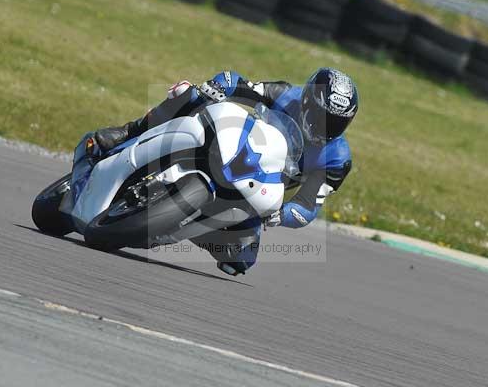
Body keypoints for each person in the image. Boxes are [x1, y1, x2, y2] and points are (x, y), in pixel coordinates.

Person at [83, 68, 358, 276]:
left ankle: (177, 224)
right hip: (234, 147)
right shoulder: (287, 95)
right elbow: (238, 81)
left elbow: (309, 205)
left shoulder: (337, 160)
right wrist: (217, 86)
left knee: (240, 258)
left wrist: (282, 215)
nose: (328, 127)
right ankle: (130, 132)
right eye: (325, 117)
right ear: (308, 101)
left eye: (337, 123)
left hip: (257, 190)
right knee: (189, 94)